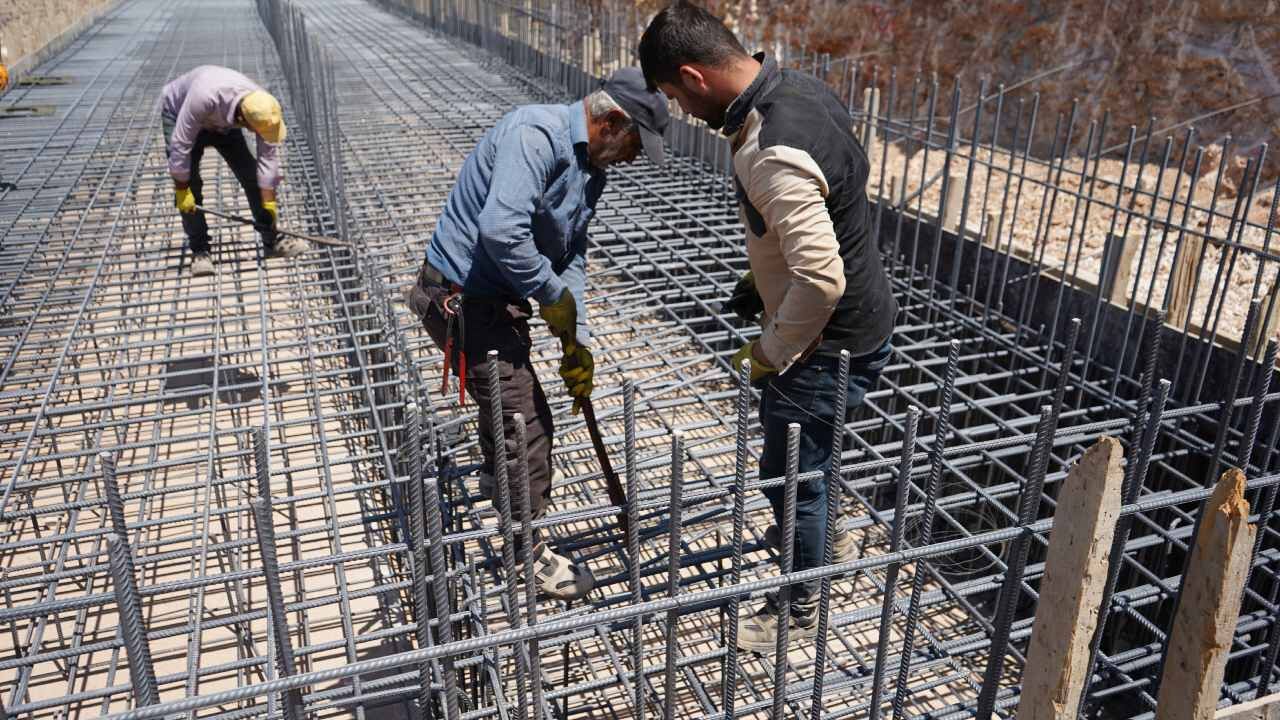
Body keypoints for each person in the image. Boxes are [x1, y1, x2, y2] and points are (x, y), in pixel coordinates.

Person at [640, 2, 899, 651]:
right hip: (866, 318)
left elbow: (821, 279)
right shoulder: (801, 88)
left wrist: (771, 350)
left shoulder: (769, 147)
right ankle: (820, 529)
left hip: (824, 340)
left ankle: (801, 603)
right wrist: (760, 283)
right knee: (813, 454)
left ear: (695, 77)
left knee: (788, 475)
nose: (679, 109)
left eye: (675, 95)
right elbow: (828, 207)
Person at [406, 67, 669, 601]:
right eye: (637, 144)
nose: (637, 157)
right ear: (612, 122)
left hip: (494, 302)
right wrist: (550, 298)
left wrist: (577, 334)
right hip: (461, 301)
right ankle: (522, 553)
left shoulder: (592, 171)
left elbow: (569, 253)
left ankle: (498, 484)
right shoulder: (536, 134)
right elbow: (501, 231)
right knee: (525, 422)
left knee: (505, 405)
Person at [161, 65, 307, 276]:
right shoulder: (204, 96)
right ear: (242, 120)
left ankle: (272, 239)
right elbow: (180, 145)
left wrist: (268, 202)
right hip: (180, 114)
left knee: (250, 176)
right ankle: (200, 250)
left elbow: (267, 161)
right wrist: (182, 190)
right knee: (190, 185)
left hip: (223, 121)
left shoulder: (264, 107)